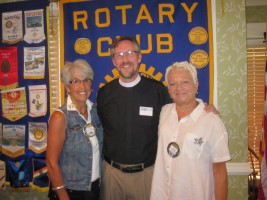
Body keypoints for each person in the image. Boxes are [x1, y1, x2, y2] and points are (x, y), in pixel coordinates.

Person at [97, 36, 219, 200]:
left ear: (139, 57)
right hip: (112, 175)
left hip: (147, 175)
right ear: (113, 61)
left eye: (129, 53)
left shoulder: (157, 90)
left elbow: (182, 108)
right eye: (118, 55)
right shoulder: (104, 93)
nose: (124, 59)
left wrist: (203, 108)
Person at [150, 61, 231, 200]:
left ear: (196, 85)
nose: (178, 88)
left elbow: (219, 171)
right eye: (173, 83)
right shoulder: (164, 112)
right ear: (168, 89)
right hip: (162, 193)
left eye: (185, 82)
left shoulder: (212, 121)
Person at [46, 59, 103, 200]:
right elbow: (51, 163)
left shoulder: (96, 112)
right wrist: (62, 195)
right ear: (67, 87)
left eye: (86, 80)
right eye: (75, 81)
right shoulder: (60, 117)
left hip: (95, 189)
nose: (82, 86)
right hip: (70, 192)